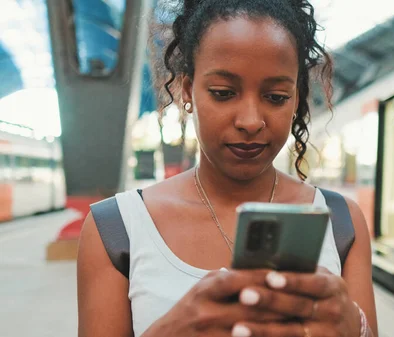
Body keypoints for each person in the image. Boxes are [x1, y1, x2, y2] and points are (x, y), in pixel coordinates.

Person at [77, 0, 378, 336]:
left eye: (276, 96)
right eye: (223, 93)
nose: (250, 121)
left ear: (296, 100)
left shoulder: (341, 223)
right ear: (188, 91)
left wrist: (357, 327)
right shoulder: (117, 229)